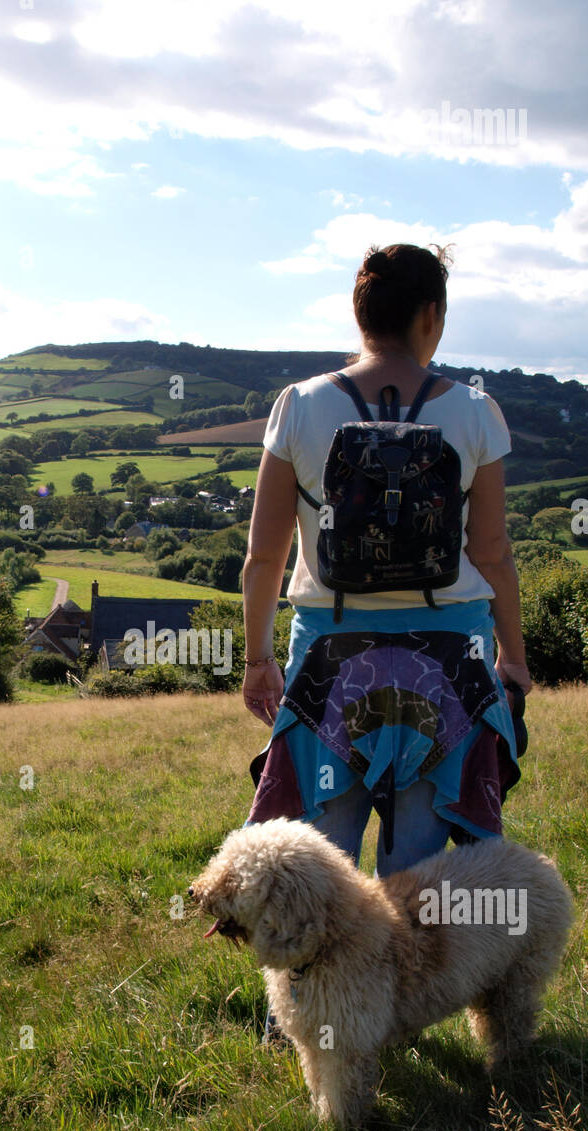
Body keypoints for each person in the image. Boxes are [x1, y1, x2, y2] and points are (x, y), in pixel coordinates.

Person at [241, 243, 532, 1039]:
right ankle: (396, 1012)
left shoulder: (297, 406)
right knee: (415, 865)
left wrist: (258, 656)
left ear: (357, 314)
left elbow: (264, 555)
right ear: (430, 317)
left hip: (330, 660)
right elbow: (494, 556)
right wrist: (510, 656)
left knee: (315, 849)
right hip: (449, 664)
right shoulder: (476, 412)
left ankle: (295, 1021)